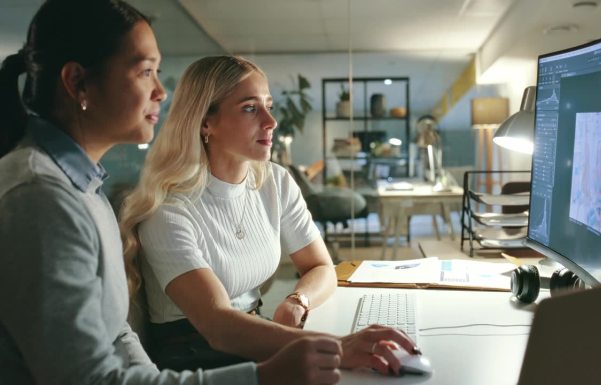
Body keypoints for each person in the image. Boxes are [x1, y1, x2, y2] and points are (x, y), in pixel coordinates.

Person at [0, 1, 346, 384]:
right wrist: (264, 376)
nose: (162, 92)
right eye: (145, 71)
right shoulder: (39, 198)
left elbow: (117, 334)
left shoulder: (84, 188)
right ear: (78, 82)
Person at [118, 55, 420, 374]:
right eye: (250, 108)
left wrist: (297, 301)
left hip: (253, 331)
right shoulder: (168, 209)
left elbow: (320, 266)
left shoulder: (274, 180)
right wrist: (338, 346)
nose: (271, 121)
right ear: (206, 122)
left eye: (269, 106)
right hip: (197, 357)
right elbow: (218, 325)